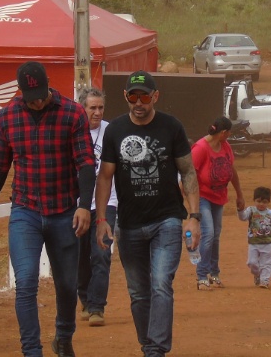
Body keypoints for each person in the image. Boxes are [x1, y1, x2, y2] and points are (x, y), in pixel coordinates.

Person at [0, 62, 95, 357]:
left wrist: (84, 206)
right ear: (21, 92)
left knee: (68, 285)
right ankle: (32, 350)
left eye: (42, 94)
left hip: (65, 210)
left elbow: (85, 163)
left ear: (48, 85)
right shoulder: (7, 116)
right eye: (32, 96)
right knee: (26, 281)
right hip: (25, 210)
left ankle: (64, 335)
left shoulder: (72, 112)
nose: (38, 101)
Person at [94, 70, 201, 357]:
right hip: (128, 225)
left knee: (161, 284)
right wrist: (102, 219)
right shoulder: (114, 131)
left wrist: (194, 216)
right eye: (132, 96)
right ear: (125, 97)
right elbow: (105, 177)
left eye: (144, 96)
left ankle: (156, 350)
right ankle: (148, 344)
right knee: (139, 293)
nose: (138, 103)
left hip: (165, 219)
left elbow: (188, 171)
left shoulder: (171, 127)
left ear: (155, 96)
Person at [76, 86, 116, 327]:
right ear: (82, 108)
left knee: (101, 253)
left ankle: (97, 307)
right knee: (80, 256)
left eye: (101, 107)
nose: (98, 112)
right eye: (93, 108)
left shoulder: (111, 131)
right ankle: (85, 298)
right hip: (78, 204)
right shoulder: (72, 131)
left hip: (107, 202)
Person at [191, 115, 244, 290]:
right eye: (229, 132)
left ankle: (214, 273)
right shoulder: (200, 148)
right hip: (203, 196)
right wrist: (190, 204)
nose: (230, 135)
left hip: (219, 196)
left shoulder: (225, 146)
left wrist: (239, 193)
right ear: (223, 133)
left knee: (216, 236)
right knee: (208, 234)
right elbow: (188, 176)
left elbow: (231, 170)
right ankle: (201, 276)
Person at [236, 186, 271, 288]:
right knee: (251, 262)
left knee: (267, 263)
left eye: (265, 202)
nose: (261, 204)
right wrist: (240, 210)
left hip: (267, 243)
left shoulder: (270, 213)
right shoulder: (251, 210)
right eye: (258, 201)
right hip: (253, 243)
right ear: (254, 200)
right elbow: (243, 217)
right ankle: (257, 274)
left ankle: (264, 281)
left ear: (268, 202)